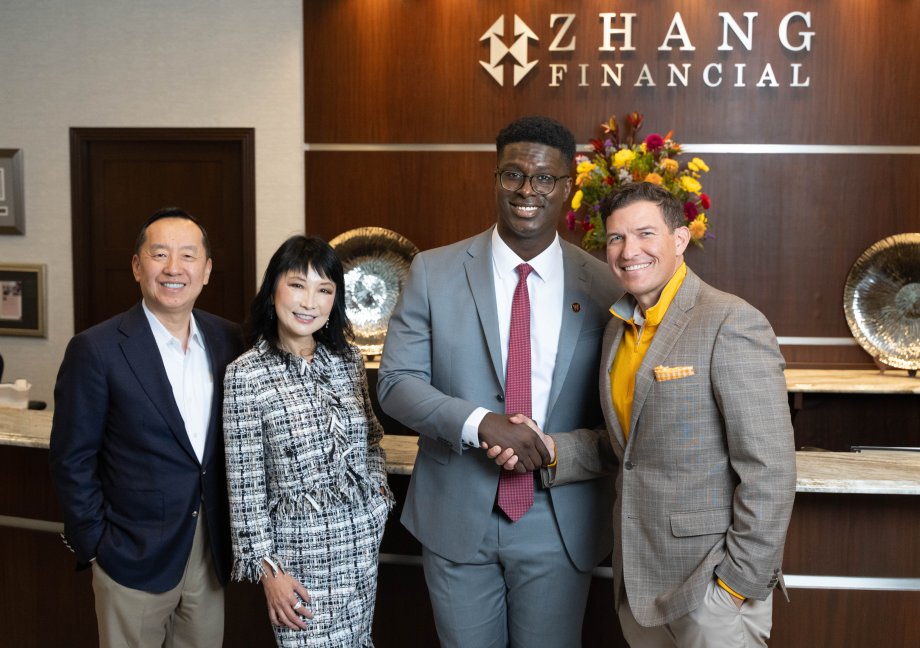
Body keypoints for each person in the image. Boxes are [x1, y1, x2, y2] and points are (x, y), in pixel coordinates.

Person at [495, 181, 796, 646]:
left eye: (645, 234)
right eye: (616, 238)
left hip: (710, 587)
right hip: (640, 586)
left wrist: (736, 586)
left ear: (680, 240)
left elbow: (770, 471)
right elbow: (628, 446)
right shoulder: (619, 327)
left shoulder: (730, 321)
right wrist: (552, 448)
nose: (628, 250)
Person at [376, 115, 619, 648]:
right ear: (495, 178)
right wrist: (481, 423)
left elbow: (621, 418)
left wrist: (553, 449)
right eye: (512, 175)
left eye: (544, 178)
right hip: (456, 511)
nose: (527, 190)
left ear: (567, 188)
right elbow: (395, 383)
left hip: (559, 520)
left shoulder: (604, 285)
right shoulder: (432, 271)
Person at [49, 207, 244, 647]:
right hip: (129, 553)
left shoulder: (230, 340)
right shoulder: (96, 349)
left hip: (208, 552)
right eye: (159, 255)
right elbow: (71, 458)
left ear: (207, 270)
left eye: (188, 256)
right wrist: (96, 543)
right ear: (138, 267)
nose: (174, 268)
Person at [223, 235, 392, 647]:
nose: (309, 302)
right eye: (297, 284)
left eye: (324, 290)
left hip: (359, 544)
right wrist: (270, 573)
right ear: (274, 288)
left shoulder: (347, 360)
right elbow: (245, 488)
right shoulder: (245, 375)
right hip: (300, 558)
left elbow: (370, 439)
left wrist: (378, 501)